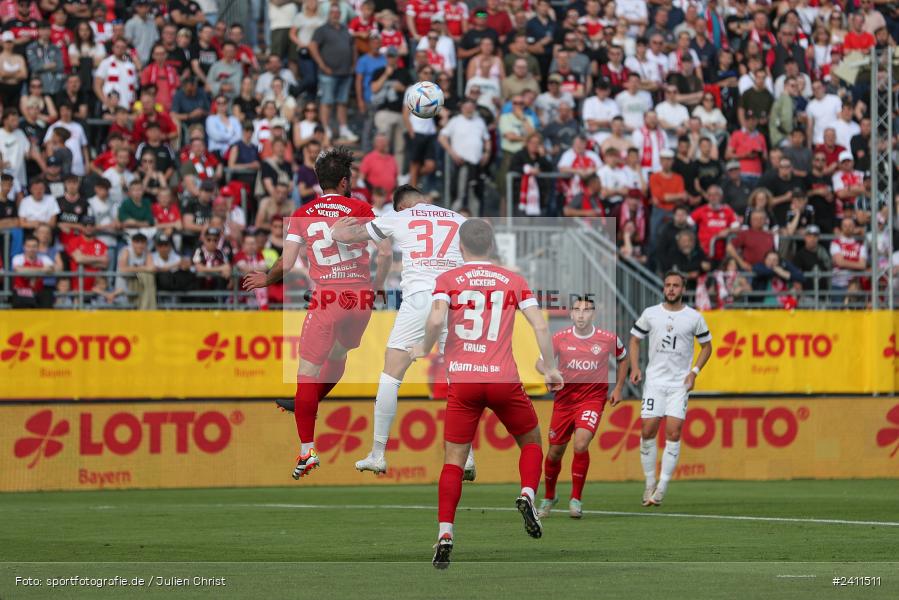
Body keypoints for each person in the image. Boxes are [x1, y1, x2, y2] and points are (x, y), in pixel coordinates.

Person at [406, 218, 563, 568]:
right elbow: (540, 322)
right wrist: (550, 367)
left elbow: (434, 321)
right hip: (503, 378)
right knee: (532, 440)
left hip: (463, 381)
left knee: (453, 461)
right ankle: (526, 493)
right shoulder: (513, 279)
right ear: (491, 246)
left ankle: (446, 532)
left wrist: (425, 347)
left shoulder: (448, 280)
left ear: (460, 246)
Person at [243, 147, 377, 479]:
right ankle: (309, 399)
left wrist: (266, 277)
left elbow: (286, 263)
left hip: (328, 298)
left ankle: (307, 450)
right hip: (361, 299)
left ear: (320, 182)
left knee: (306, 370)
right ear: (345, 181)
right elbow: (385, 250)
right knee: (339, 354)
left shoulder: (303, 213)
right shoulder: (361, 208)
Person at [326, 184, 472, 476]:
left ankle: (378, 454)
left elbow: (347, 235)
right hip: (456, 301)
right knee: (459, 380)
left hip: (420, 298)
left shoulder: (400, 218)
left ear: (401, 207)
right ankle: (467, 457)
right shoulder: (458, 219)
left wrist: (335, 228)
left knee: (391, 374)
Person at [536, 297, 627, 519]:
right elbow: (539, 362)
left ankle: (575, 499)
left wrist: (618, 388)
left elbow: (623, 359)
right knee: (554, 453)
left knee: (581, 443)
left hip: (592, 400)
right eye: (577, 310)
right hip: (564, 402)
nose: (581, 314)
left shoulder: (607, 339)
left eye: (586, 310)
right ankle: (549, 496)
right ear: (571, 314)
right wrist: (548, 371)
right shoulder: (559, 338)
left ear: (593, 314)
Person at [629, 271, 712, 507]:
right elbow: (634, 339)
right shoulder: (651, 314)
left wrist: (694, 372)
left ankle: (662, 487)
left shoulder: (693, 317)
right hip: (655, 381)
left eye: (676, 285)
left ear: (683, 288)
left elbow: (707, 347)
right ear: (664, 288)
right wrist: (635, 367)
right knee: (648, 430)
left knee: (674, 432)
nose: (671, 289)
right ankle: (649, 483)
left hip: (679, 384)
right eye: (668, 285)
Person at [309, 3, 358, 142]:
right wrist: (322, 65)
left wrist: (354, 63)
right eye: (333, 13)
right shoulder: (322, 30)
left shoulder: (345, 29)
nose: (335, 15)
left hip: (345, 72)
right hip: (328, 73)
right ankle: (326, 128)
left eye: (337, 13)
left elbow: (353, 45)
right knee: (327, 101)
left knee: (343, 102)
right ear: (329, 14)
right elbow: (313, 47)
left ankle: (343, 128)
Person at [11, 235, 55, 308]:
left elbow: (51, 269)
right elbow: (19, 270)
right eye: (28, 246)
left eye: (34, 246)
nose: (31, 249)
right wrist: (41, 269)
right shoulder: (18, 258)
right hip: (22, 291)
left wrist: (28, 270)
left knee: (47, 295)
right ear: (24, 247)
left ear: (38, 247)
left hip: (37, 291)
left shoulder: (43, 258)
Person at [116, 232, 157, 309]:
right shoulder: (126, 251)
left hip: (140, 284)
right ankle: (149, 308)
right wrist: (143, 268)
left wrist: (137, 269)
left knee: (149, 276)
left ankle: (146, 308)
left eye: (142, 242)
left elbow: (152, 268)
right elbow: (122, 270)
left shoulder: (146, 252)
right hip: (125, 285)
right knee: (147, 275)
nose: (140, 245)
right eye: (137, 242)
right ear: (132, 243)